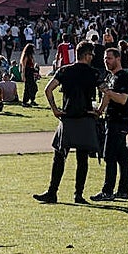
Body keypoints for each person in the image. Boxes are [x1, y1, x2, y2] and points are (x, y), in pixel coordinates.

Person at [33, 40, 100, 205]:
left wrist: (55, 109)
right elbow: (106, 92)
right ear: (87, 55)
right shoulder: (94, 73)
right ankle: (78, 195)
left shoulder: (64, 71)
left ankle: (52, 192)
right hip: (85, 118)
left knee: (59, 156)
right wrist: (99, 110)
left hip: (68, 118)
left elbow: (48, 89)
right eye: (92, 54)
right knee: (82, 159)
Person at [91, 47, 128, 201]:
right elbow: (107, 97)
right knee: (122, 157)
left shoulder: (122, 77)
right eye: (105, 58)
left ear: (118, 59)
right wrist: (98, 111)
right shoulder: (111, 77)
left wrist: (108, 93)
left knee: (110, 156)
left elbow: (123, 99)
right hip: (112, 120)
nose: (106, 61)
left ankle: (108, 191)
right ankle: (123, 191)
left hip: (119, 121)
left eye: (109, 58)